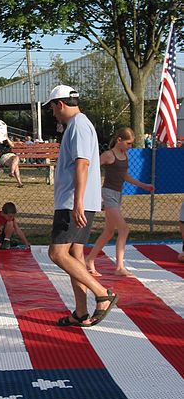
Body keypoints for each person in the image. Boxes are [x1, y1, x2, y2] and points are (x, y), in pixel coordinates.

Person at [45, 85, 118, 328]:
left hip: (73, 202)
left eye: (52, 108)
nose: (53, 113)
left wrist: (77, 202)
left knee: (57, 253)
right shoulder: (80, 124)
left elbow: (83, 164)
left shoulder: (77, 125)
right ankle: (80, 312)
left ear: (60, 104)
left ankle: (101, 294)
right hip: (78, 201)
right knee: (74, 254)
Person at [85, 127, 154, 277]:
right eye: (128, 143)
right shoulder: (108, 155)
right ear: (119, 140)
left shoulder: (124, 156)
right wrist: (97, 195)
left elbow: (125, 176)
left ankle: (89, 259)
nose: (130, 147)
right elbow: (91, 171)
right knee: (124, 229)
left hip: (117, 194)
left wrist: (143, 185)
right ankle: (119, 267)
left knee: (109, 232)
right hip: (108, 194)